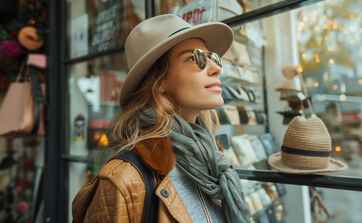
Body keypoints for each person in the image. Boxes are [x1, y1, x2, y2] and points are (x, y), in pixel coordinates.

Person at [71, 14, 251, 222]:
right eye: (194, 58)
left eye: (213, 57)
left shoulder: (214, 163)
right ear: (159, 81)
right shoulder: (123, 180)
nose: (216, 68)